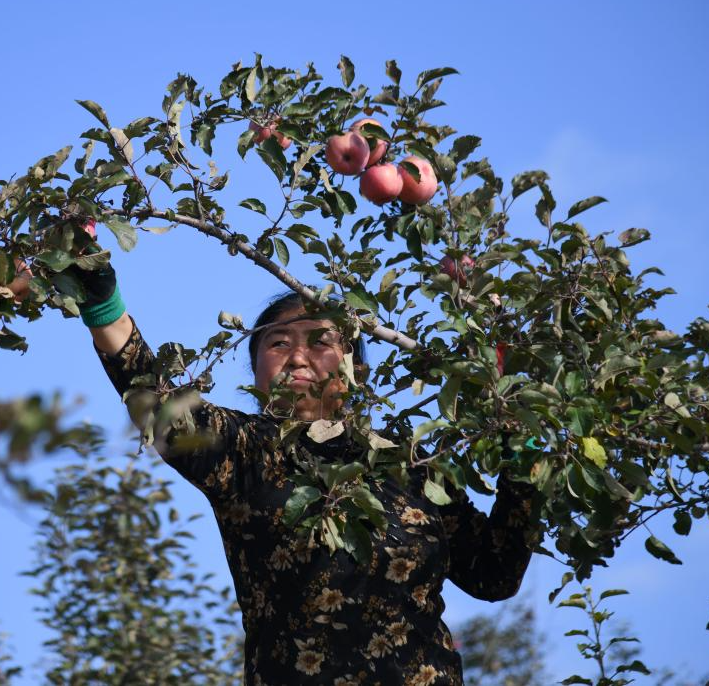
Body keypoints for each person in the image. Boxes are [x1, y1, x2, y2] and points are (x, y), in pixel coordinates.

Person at [72, 256, 543, 686]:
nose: (297, 356)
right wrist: (101, 303)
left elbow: (493, 572)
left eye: (321, 342)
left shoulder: (413, 468)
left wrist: (519, 436)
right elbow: (161, 409)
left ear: (355, 367)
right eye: (278, 342)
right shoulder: (247, 451)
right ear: (256, 369)